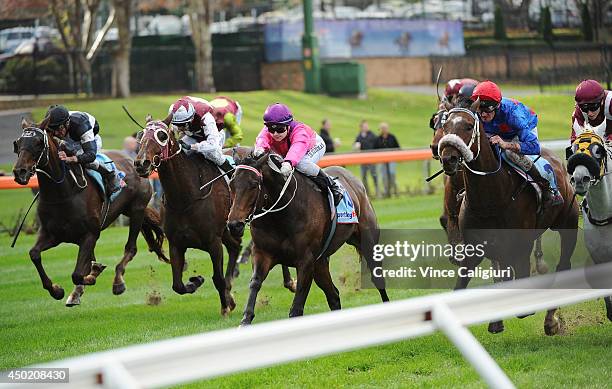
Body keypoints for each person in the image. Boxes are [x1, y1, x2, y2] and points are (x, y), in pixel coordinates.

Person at [471, 81, 563, 207]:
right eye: (479, 109)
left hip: (522, 131)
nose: (482, 114)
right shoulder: (477, 114)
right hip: (496, 132)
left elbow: (534, 146)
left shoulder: (514, 116)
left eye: (487, 110)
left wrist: (505, 144)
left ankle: (547, 187)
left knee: (510, 154)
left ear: (497, 106)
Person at [253, 103, 343, 206]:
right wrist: (259, 148)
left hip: (312, 145)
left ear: (288, 125)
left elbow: (297, 147)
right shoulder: (269, 130)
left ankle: (333, 185)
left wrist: (288, 162)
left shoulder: (299, 131)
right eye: (271, 130)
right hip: (290, 150)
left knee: (302, 164)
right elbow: (262, 139)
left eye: (280, 129)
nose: (275, 134)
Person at [45, 105, 119, 195]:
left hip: (89, 139)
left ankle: (109, 174)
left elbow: (90, 155)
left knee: (87, 162)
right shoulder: (52, 126)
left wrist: (71, 159)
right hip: (69, 140)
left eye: (59, 128)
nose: (56, 133)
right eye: (53, 129)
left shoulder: (81, 123)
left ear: (67, 123)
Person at [168, 96, 234, 174]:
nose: (178, 128)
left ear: (191, 119)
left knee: (213, 155)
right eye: (177, 124)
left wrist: (192, 147)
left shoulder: (206, 118)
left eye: (182, 125)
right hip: (193, 135)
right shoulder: (173, 111)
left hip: (214, 134)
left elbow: (213, 145)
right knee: (178, 151)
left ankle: (232, 174)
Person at [570, 79, 612, 143]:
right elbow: (574, 140)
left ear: (602, 101)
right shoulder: (579, 111)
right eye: (585, 108)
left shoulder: (610, 102)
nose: (589, 113)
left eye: (593, 107)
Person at [353, 120, 379, 198]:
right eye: (364, 126)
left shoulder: (372, 135)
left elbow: (377, 145)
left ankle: (377, 192)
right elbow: (355, 146)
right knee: (364, 176)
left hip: (371, 159)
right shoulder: (359, 136)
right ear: (361, 127)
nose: (366, 127)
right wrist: (356, 146)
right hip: (363, 160)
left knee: (374, 175)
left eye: (367, 126)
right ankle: (367, 193)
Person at [374, 122, 400, 198]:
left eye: (385, 128)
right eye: (382, 128)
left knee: (392, 175)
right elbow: (374, 150)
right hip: (382, 161)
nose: (384, 130)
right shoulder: (378, 139)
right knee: (384, 177)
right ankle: (386, 192)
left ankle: (394, 191)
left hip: (391, 160)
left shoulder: (392, 137)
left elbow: (398, 148)